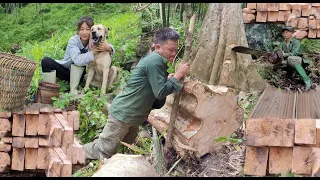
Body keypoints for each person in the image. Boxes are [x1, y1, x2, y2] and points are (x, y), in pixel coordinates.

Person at [83, 27, 190, 160]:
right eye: (170, 50)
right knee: (103, 150)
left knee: (124, 149)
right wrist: (178, 75)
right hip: (124, 114)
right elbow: (160, 92)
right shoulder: (154, 61)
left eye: (175, 50)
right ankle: (71, 155)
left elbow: (154, 85)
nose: (174, 54)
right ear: (157, 47)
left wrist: (168, 79)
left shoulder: (157, 61)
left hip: (133, 117)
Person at [40, 16, 115, 93]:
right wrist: (94, 52)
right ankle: (49, 90)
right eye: (81, 29)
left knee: (83, 63)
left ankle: (74, 90)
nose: (84, 32)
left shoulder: (93, 41)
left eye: (88, 29)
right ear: (78, 31)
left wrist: (109, 48)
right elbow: (77, 60)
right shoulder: (73, 41)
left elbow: (106, 44)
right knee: (46, 61)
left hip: (78, 75)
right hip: (66, 70)